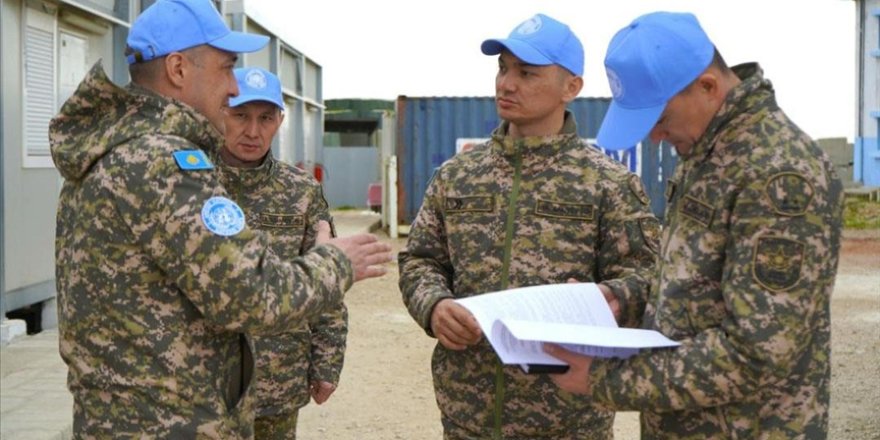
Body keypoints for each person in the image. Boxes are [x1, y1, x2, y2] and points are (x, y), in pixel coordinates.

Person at [48, 0, 391, 437]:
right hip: (170, 425)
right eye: (226, 68)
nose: (232, 87)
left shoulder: (109, 152)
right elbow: (253, 295)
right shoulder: (162, 164)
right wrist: (336, 261)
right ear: (177, 69)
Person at [545, 11, 844, 439]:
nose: (655, 138)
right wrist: (620, 297)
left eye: (660, 120)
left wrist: (604, 380)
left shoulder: (778, 174)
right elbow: (692, 279)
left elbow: (758, 351)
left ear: (707, 86)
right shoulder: (708, 153)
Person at [398, 13, 659, 440]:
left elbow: (649, 277)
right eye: (502, 69)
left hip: (570, 419)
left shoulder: (608, 184)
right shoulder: (457, 176)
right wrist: (434, 306)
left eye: (526, 73)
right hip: (469, 413)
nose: (506, 84)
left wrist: (608, 297)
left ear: (571, 88)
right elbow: (421, 261)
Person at [218, 67, 348, 439]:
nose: (253, 131)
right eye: (240, 115)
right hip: (202, 379)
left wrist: (327, 362)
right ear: (221, 112)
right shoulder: (193, 183)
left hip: (277, 375)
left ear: (280, 120)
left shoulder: (301, 191)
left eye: (265, 118)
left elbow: (328, 280)